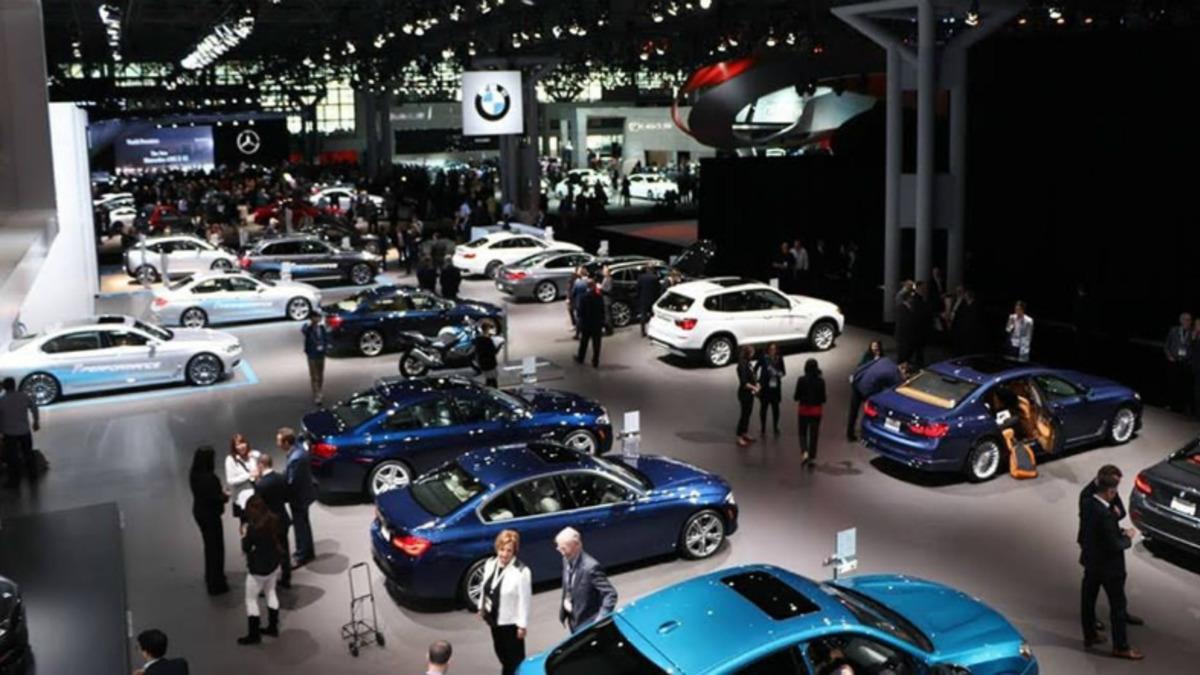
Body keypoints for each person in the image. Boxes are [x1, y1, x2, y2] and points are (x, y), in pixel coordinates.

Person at [1079, 473, 1142, 659]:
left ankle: (1090, 635)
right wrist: (1127, 537)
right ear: (1110, 492)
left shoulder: (1087, 503)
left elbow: (1098, 533)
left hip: (1091, 561)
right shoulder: (1105, 514)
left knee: (1088, 600)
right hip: (1109, 568)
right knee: (1118, 606)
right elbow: (1114, 544)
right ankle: (1121, 646)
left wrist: (1116, 531)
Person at [479, 530, 532, 675]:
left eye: (509, 550)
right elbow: (485, 587)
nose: (504, 554)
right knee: (500, 652)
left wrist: (522, 625)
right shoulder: (490, 564)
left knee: (515, 659)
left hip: (510, 623)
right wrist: (481, 607)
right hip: (494, 620)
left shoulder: (521, 571)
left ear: (514, 551)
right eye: (502, 549)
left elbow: (525, 600)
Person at [238, 495, 284, 645]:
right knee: (271, 592)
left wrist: (244, 535)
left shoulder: (253, 529)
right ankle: (272, 627)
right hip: (274, 563)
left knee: (251, 599)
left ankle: (254, 635)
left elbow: (246, 548)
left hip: (258, 568)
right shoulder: (274, 519)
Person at [556, 527, 617, 633]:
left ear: (576, 545)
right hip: (574, 620)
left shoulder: (591, 567)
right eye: (559, 548)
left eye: (564, 548)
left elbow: (610, 594)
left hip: (588, 623)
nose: (561, 552)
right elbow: (568, 584)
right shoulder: (566, 559)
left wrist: (600, 619)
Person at [189, 446, 229, 595]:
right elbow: (215, 498)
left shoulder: (194, 474)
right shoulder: (210, 478)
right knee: (216, 549)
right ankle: (216, 583)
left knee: (209, 547)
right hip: (211, 516)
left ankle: (210, 576)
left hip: (200, 512)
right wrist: (225, 496)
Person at [254, 454, 292, 588]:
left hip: (269, 523)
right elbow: (287, 497)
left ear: (261, 465)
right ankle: (286, 578)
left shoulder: (261, 484)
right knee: (284, 549)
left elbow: (258, 505)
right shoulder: (281, 478)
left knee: (269, 553)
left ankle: (269, 581)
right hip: (282, 518)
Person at [282, 426, 317, 568]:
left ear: (286, 442)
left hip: (298, 497)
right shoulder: (298, 449)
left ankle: (301, 555)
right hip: (305, 494)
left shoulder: (295, 458)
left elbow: (291, 481)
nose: (277, 444)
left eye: (279, 441)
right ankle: (308, 552)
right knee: (304, 524)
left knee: (300, 527)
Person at [846, 355, 904, 441]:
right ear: (903, 370)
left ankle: (849, 433)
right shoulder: (896, 374)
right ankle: (868, 432)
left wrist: (856, 375)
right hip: (867, 389)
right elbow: (895, 389)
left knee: (853, 410)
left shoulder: (886, 360)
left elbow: (867, 365)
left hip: (859, 381)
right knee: (871, 411)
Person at [0, 377, 40, 488]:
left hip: (9, 433)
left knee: (12, 457)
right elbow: (34, 408)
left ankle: (14, 480)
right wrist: (36, 421)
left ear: (4, 387)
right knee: (28, 453)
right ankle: (32, 475)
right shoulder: (24, 396)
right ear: (15, 385)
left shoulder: (2, 400)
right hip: (24, 431)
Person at [794, 359, 827, 468]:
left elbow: (796, 397)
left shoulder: (801, 380)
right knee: (814, 435)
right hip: (816, 411)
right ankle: (812, 457)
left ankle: (804, 453)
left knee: (802, 433)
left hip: (803, 410)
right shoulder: (821, 381)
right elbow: (823, 399)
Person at [224, 433, 262, 520]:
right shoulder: (230, 459)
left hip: (257, 497)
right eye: (238, 445)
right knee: (247, 524)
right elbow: (230, 481)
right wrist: (249, 475)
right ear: (234, 447)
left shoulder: (253, 456)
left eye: (242, 443)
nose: (241, 446)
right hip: (242, 500)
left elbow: (261, 465)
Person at [1164, 312, 1193, 413]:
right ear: (1181, 320)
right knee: (1171, 383)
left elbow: (1194, 348)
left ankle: (1180, 408)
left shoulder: (1192, 332)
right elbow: (1166, 345)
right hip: (1173, 361)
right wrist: (1169, 356)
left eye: (1189, 320)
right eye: (1186, 319)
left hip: (1185, 363)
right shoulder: (1174, 330)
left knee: (1183, 386)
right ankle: (1170, 405)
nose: (1188, 322)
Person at [756, 343, 786, 436]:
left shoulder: (779, 358)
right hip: (765, 387)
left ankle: (775, 427)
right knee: (763, 408)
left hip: (775, 387)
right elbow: (755, 368)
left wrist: (778, 374)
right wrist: (757, 381)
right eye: (771, 349)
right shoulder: (763, 358)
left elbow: (783, 372)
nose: (772, 351)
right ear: (768, 349)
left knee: (775, 408)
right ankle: (763, 428)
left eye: (774, 349)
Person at [574, 279, 605, 368]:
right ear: (594, 286)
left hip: (586, 323)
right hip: (597, 323)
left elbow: (580, 311)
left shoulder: (583, 297)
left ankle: (581, 358)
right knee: (597, 343)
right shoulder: (599, 297)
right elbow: (602, 310)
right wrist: (602, 321)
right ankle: (595, 360)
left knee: (584, 342)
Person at [300, 313, 329, 406]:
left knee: (320, 374)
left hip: (321, 354)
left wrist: (325, 348)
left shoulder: (322, 328)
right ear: (311, 318)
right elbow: (304, 331)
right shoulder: (308, 329)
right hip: (312, 354)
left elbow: (326, 339)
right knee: (314, 375)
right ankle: (317, 394)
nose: (317, 319)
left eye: (318, 317)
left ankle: (319, 390)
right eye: (315, 317)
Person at [736, 345, 761, 447]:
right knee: (744, 415)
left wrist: (757, 383)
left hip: (750, 393)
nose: (753, 354)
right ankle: (739, 436)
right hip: (744, 393)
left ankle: (744, 433)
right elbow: (744, 382)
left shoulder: (748, 363)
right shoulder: (742, 365)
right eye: (752, 352)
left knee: (748, 414)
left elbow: (753, 375)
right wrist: (754, 388)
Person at [635, 265, 661, 337]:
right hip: (653, 299)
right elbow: (658, 289)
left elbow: (638, 288)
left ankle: (643, 331)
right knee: (653, 316)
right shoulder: (655, 278)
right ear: (652, 270)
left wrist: (639, 297)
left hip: (643, 299)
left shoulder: (641, 277)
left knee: (643, 315)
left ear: (646, 270)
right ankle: (653, 331)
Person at [474, 322, 501, 388]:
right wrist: (499, 345)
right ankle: (493, 392)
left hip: (483, 362)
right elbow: (493, 351)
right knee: (492, 380)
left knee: (489, 380)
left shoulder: (478, 339)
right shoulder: (487, 340)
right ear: (487, 330)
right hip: (490, 363)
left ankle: (488, 390)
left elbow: (477, 351)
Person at [569, 268, 589, 338]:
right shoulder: (589, 281)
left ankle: (577, 334)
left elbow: (573, 293)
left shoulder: (577, 282)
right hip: (588, 303)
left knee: (579, 319)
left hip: (579, 302)